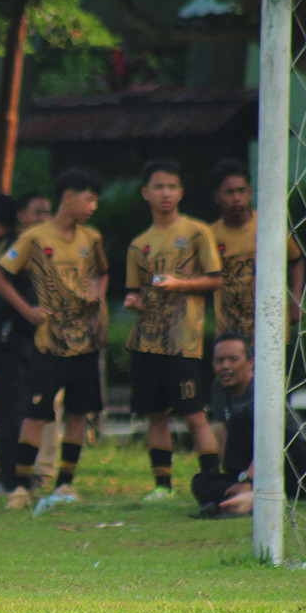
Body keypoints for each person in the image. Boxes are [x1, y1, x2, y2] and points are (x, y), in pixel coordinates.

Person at [0, 169, 109, 511]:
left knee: (77, 415)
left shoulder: (92, 239)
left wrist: (98, 301)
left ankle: (65, 483)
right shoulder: (35, 237)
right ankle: (22, 487)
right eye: (88, 198)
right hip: (49, 343)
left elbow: (103, 272)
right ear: (68, 197)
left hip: (85, 343)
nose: (92, 206)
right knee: (36, 413)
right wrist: (27, 311)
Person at [124, 160, 222, 502]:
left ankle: (212, 481)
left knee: (195, 414)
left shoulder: (197, 232)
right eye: (158, 187)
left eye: (171, 187)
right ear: (146, 193)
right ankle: (162, 486)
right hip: (146, 341)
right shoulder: (139, 243)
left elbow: (216, 279)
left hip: (184, 341)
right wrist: (133, 301)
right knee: (155, 415)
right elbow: (133, 290)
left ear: (180, 192)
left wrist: (180, 284)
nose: (165, 193)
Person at [191, 331, 306, 516]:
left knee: (240, 415)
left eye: (233, 359)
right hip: (256, 467)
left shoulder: (262, 388)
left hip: (298, 462)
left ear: (251, 363)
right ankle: (246, 499)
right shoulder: (218, 387)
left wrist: (247, 480)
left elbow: (270, 441)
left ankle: (251, 495)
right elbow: (223, 436)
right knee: (201, 482)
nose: (225, 366)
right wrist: (233, 480)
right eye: (219, 361)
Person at [0, 192, 50, 494]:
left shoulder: (6, 248)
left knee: (7, 414)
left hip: (8, 344)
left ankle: (11, 479)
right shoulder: (24, 245)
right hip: (28, 341)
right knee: (17, 411)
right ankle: (19, 476)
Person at [208, 159, 305, 341]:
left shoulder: (269, 226)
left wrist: (296, 298)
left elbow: (296, 260)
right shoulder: (209, 236)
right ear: (216, 197)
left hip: (270, 327)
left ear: (250, 193)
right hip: (230, 333)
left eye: (241, 191)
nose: (236, 198)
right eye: (229, 192)